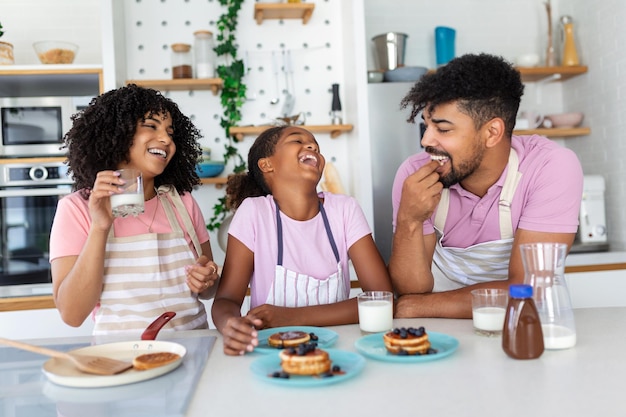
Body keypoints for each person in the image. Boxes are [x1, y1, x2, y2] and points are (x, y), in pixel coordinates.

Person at [389, 53, 583, 318]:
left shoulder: (550, 167)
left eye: (443, 129)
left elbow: (528, 290)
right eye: (426, 126)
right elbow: (411, 288)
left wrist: (422, 306)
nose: (426, 141)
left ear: (492, 132)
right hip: (440, 335)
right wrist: (408, 219)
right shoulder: (414, 174)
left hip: (518, 328)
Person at [49, 84, 219, 336]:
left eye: (170, 132)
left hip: (194, 353)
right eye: (151, 126)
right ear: (117, 133)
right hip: (120, 359)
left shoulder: (182, 202)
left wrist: (207, 278)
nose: (166, 139)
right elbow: (72, 315)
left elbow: (208, 291)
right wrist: (100, 226)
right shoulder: (76, 208)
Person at [211, 125, 392, 355]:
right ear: (267, 164)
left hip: (337, 350)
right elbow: (226, 299)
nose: (312, 146)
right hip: (271, 352)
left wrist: (289, 317)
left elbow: (382, 299)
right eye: (297, 140)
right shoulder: (254, 213)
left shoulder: (345, 209)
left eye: (316, 144)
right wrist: (231, 325)